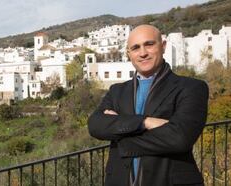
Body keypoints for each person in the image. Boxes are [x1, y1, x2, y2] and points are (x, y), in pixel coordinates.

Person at [88, 25, 208, 186]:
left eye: (149, 44)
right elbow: (95, 125)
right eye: (135, 48)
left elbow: (180, 137)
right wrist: (146, 122)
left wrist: (122, 138)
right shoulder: (117, 91)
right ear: (129, 54)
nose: (143, 53)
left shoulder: (191, 87)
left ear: (163, 46)